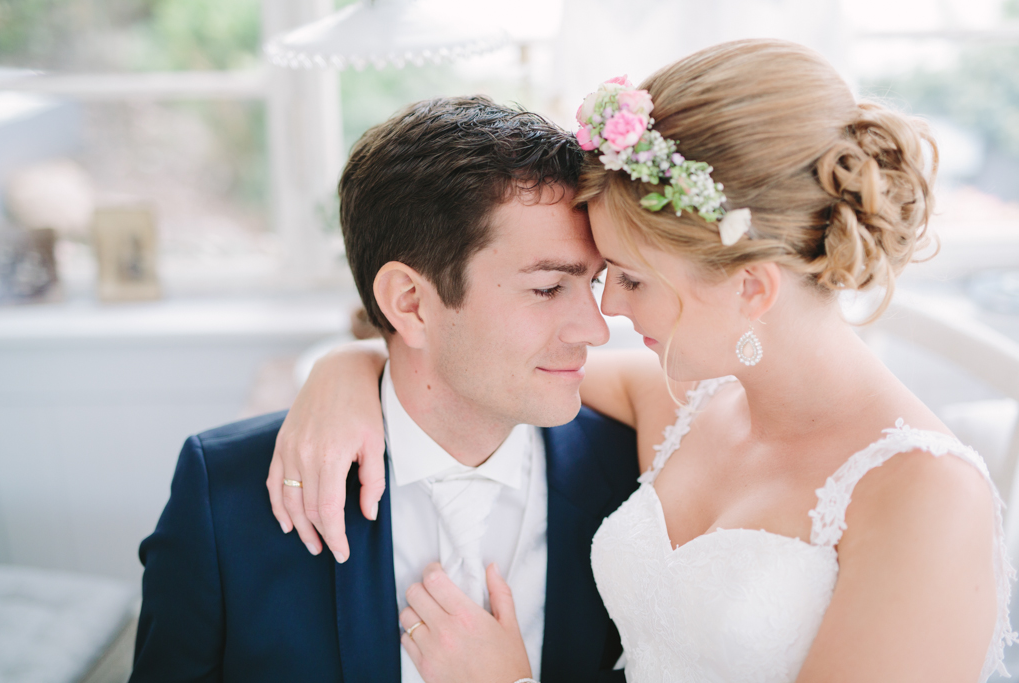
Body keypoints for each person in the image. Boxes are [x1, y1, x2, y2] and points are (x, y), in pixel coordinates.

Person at [268, 39, 1015, 683]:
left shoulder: (925, 495)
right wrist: (340, 373)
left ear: (751, 287)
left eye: (630, 278)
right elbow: (470, 364)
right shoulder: (680, 400)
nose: (606, 316)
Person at [131, 96, 641, 683]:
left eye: (595, 282)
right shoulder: (226, 498)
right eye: (550, 288)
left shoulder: (632, 481)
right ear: (411, 303)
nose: (598, 329)